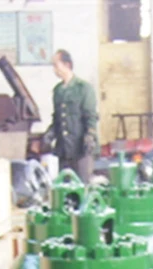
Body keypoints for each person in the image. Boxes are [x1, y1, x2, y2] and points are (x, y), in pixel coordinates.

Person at [43, 49, 98, 182]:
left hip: (81, 149)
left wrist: (90, 136)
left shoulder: (83, 88)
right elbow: (57, 119)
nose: (54, 69)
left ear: (67, 65)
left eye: (56, 65)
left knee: (82, 185)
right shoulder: (58, 91)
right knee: (64, 186)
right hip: (63, 150)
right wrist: (49, 135)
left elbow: (90, 116)